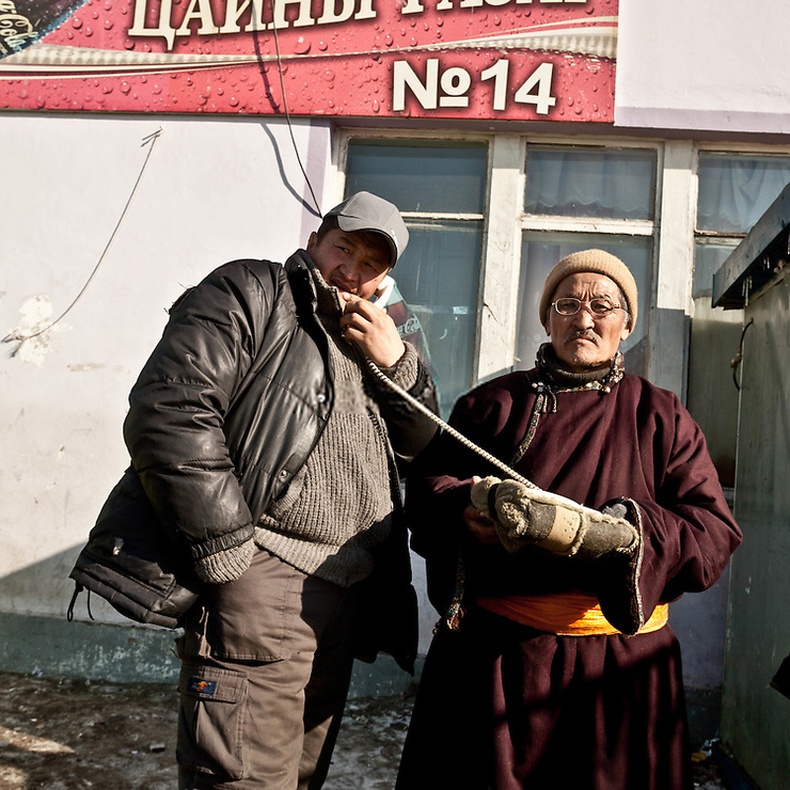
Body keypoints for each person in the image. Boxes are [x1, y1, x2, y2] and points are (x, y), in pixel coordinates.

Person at [121, 191, 438, 789]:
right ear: (316, 239)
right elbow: (170, 410)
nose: (351, 270)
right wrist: (228, 551)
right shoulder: (252, 292)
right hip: (265, 577)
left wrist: (396, 363)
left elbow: (426, 441)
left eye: (371, 264)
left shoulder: (380, 336)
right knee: (243, 777)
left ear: (384, 279)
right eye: (343, 248)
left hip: (344, 593)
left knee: (299, 776)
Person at [396, 249, 742, 790]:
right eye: (568, 303)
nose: (584, 319)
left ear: (626, 324)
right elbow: (427, 489)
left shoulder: (662, 416)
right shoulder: (492, 406)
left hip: (622, 675)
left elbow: (713, 530)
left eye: (603, 305)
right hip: (498, 666)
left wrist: (632, 535)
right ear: (546, 317)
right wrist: (470, 507)